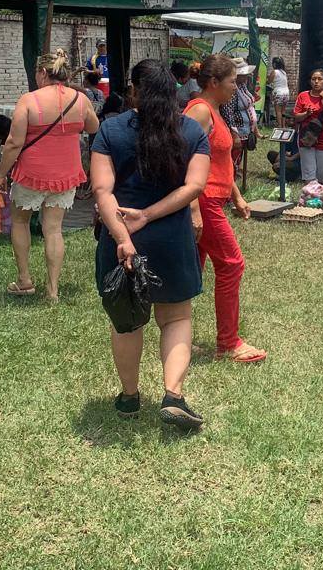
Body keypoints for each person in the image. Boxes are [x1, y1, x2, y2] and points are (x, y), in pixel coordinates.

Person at [91, 59, 212, 425]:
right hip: (172, 239)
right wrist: (149, 214)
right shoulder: (192, 131)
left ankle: (129, 397)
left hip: (121, 238)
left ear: (134, 90)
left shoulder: (111, 129)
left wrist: (124, 236)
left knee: (127, 320)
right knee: (176, 317)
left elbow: (102, 191)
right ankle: (173, 394)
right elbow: (194, 186)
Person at [0, 48, 100, 301]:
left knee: (20, 222)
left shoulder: (29, 100)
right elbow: (93, 126)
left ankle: (24, 279)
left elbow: (13, 143)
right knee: (53, 229)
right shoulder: (80, 99)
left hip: (31, 172)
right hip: (65, 174)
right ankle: (53, 290)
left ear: (43, 72)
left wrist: (0, 174)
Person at [184, 55, 265, 363]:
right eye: (232, 81)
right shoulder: (200, 111)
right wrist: (193, 208)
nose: (237, 86)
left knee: (193, 270)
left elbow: (215, 160)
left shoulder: (214, 109)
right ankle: (229, 343)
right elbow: (183, 160)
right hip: (203, 201)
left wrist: (236, 196)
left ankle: (180, 336)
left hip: (213, 199)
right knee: (232, 264)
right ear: (214, 82)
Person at [294, 69, 323, 185]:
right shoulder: (303, 96)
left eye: (320, 79)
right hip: (307, 139)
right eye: (314, 79)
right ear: (310, 81)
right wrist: (306, 114)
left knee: (322, 175)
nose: (316, 82)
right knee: (309, 174)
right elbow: (296, 117)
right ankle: (309, 194)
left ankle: (321, 194)